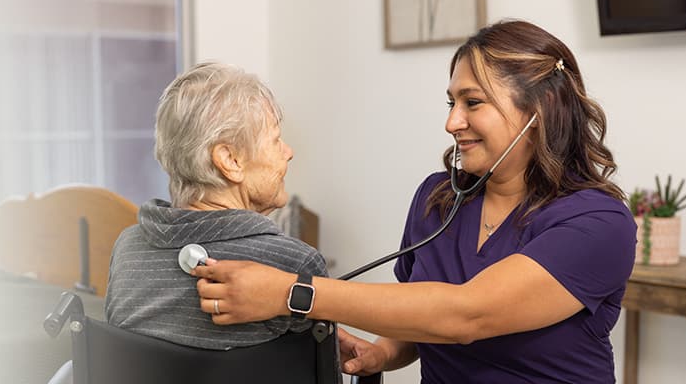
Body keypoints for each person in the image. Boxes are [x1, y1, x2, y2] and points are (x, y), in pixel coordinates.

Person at [188, 20, 635, 383]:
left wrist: (290, 293)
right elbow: (423, 319)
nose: (451, 122)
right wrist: (382, 352)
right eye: (451, 102)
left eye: (472, 102)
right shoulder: (438, 199)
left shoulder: (597, 222)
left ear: (541, 110)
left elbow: (466, 315)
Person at [104, 62, 327, 350]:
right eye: (275, 140)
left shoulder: (127, 250)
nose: (288, 152)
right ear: (230, 161)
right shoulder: (296, 266)